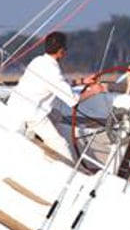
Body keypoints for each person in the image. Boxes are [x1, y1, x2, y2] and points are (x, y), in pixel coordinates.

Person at [6, 31, 104, 161]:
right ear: (61, 51)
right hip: (33, 115)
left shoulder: (38, 61)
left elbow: (59, 82)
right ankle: (72, 173)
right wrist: (94, 91)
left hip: (17, 106)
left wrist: (82, 81)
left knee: (56, 115)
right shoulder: (53, 70)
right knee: (61, 144)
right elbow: (73, 100)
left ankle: (46, 147)